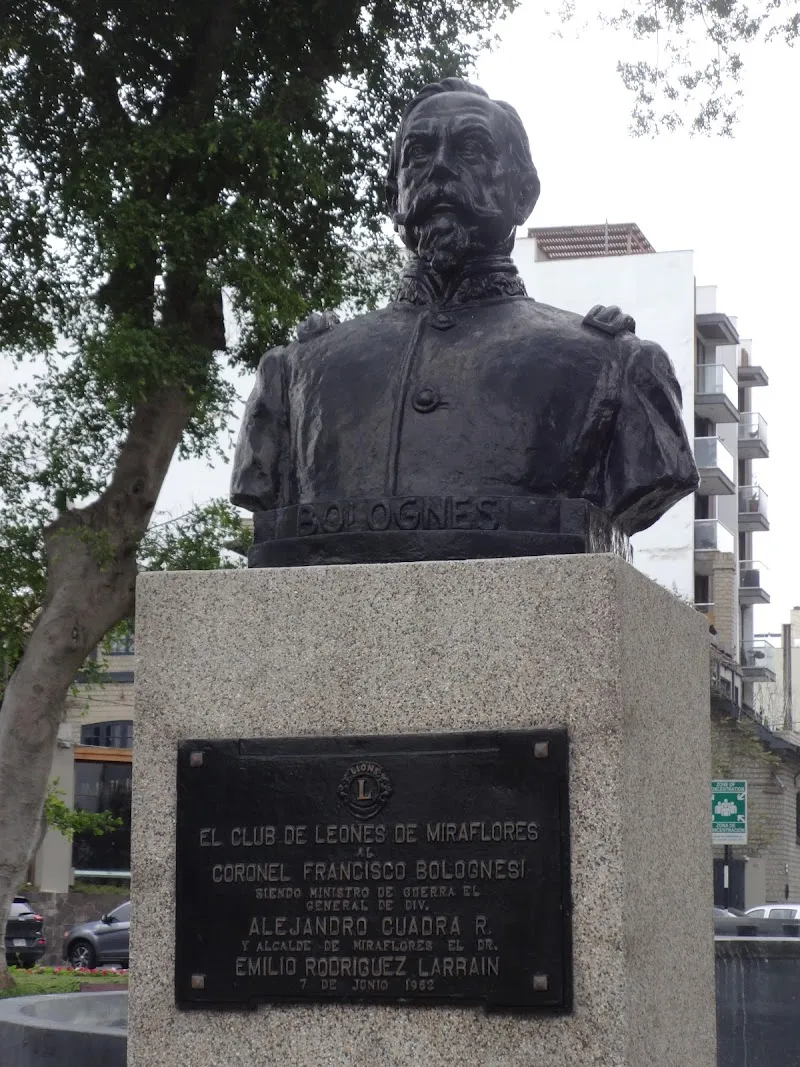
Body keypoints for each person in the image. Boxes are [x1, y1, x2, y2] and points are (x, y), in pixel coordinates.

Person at [231, 79, 698, 566]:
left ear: (524, 194)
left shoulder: (613, 365)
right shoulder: (299, 371)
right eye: (418, 152)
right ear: (394, 196)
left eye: (472, 149)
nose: (439, 168)